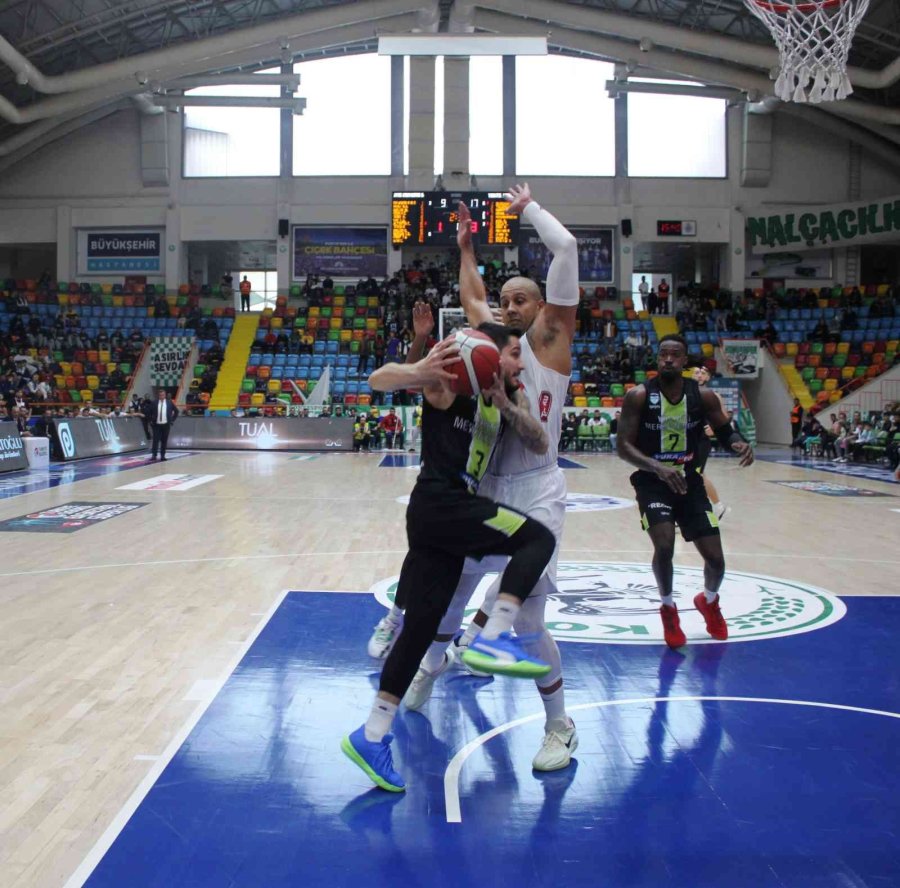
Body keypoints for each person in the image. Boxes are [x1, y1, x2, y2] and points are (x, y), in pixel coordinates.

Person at [384, 184, 580, 772]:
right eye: (506, 300)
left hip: (537, 488)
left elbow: (567, 248)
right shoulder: (490, 345)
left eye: (522, 299)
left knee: (525, 619)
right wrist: (467, 247)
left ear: (542, 305)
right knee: (445, 602)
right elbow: (472, 294)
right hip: (485, 490)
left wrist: (528, 212)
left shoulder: (549, 342)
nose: (510, 306)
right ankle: (428, 669)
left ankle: (559, 725)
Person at [342, 324, 556, 792]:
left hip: (441, 518)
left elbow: (540, 443)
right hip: (442, 502)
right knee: (536, 539)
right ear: (488, 355)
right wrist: (417, 367)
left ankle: (371, 734)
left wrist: (505, 404)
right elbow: (378, 379)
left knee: (420, 628)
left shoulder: (505, 394)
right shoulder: (446, 384)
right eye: (514, 353)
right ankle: (494, 637)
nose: (520, 363)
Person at [617, 334, 754, 649]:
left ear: (685, 361)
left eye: (674, 355)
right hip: (653, 481)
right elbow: (623, 447)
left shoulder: (702, 396)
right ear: (657, 359)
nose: (668, 359)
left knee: (717, 561)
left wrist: (738, 443)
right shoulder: (638, 395)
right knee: (664, 547)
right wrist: (658, 468)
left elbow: (723, 430)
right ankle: (668, 607)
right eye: (663, 354)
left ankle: (709, 601)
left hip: (690, 482)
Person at [692, 366, 728, 521]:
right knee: (698, 476)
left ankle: (689, 514)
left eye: (703, 373)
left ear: (707, 378)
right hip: (685, 439)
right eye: (696, 372)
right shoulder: (681, 394)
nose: (700, 375)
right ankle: (718, 506)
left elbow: (724, 419)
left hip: (700, 441)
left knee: (693, 475)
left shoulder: (713, 395)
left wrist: (712, 428)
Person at [145, 387, 179, 460]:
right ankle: (154, 455)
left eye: (163, 395)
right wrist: (150, 420)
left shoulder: (169, 403)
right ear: (158, 395)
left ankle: (163, 455)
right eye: (160, 395)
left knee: (164, 440)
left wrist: (172, 420)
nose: (162, 396)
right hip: (156, 425)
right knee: (155, 440)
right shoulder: (154, 403)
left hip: (166, 425)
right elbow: (147, 411)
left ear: (165, 395)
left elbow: (176, 411)